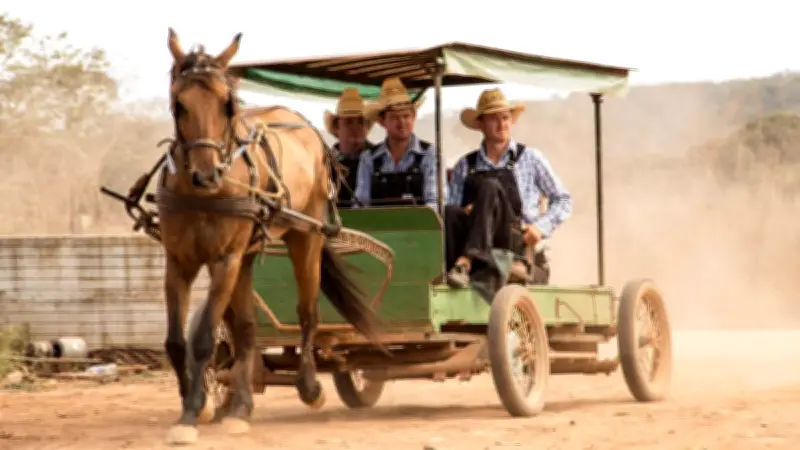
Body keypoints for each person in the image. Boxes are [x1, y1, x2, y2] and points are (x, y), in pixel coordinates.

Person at [445, 88, 573, 288]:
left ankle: (466, 261)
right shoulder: (465, 165)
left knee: (490, 187)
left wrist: (540, 228)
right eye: (493, 119)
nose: (501, 124)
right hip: (476, 240)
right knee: (449, 211)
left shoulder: (530, 158)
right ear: (481, 124)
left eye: (505, 118)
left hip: (516, 245)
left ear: (511, 121)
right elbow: (454, 212)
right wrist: (471, 210)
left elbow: (563, 200)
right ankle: (450, 270)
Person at [354, 77, 437, 209]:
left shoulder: (430, 154)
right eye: (394, 117)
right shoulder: (368, 158)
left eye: (406, 116)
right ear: (383, 121)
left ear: (414, 117)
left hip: (420, 222)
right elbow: (361, 205)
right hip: (378, 222)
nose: (402, 122)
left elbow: (434, 202)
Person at [324, 88, 376, 206]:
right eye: (349, 122)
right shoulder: (325, 162)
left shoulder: (378, 159)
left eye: (360, 121)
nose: (355, 127)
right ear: (337, 127)